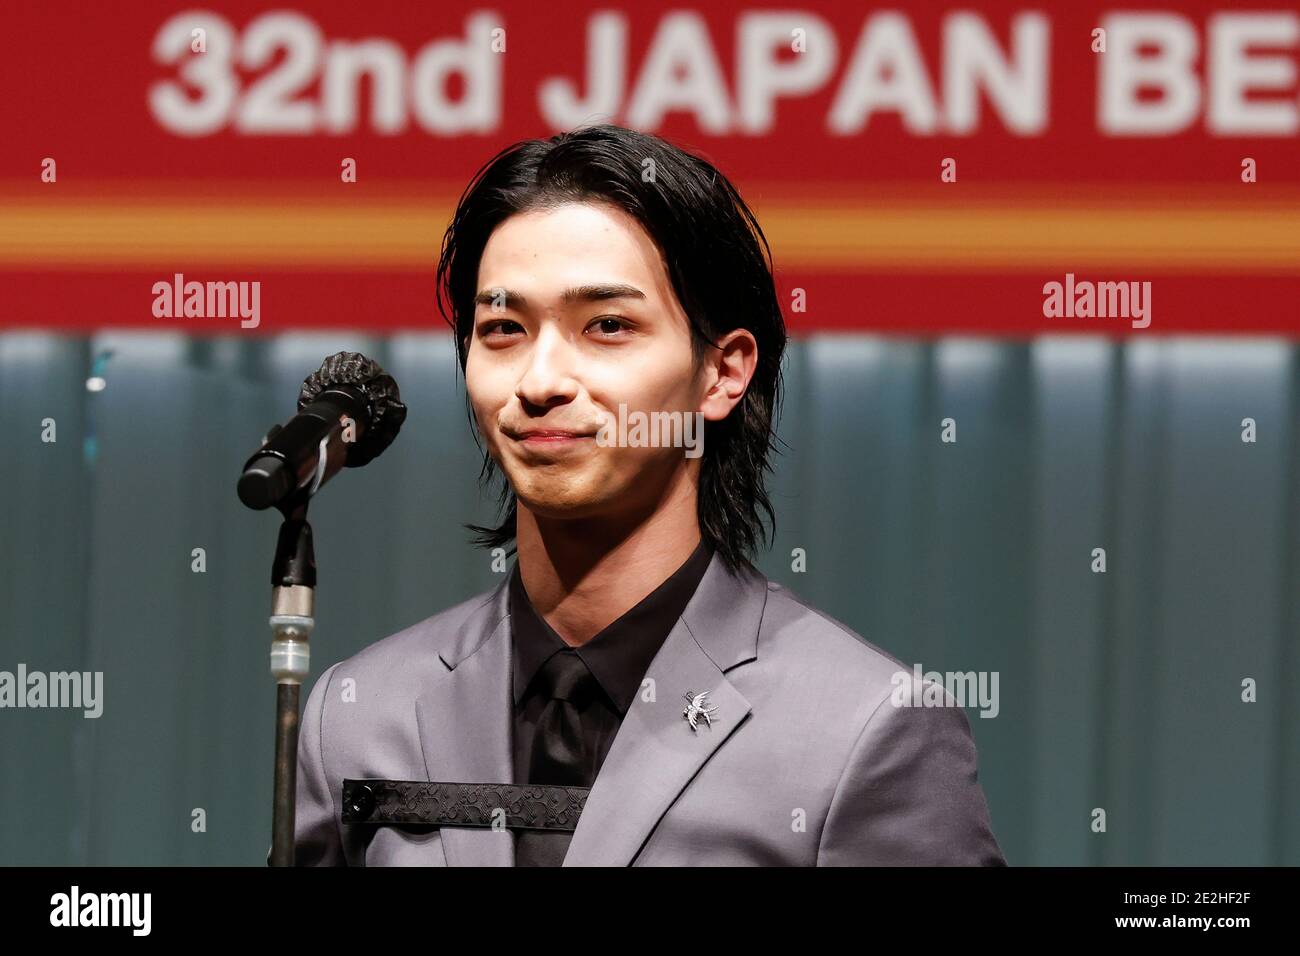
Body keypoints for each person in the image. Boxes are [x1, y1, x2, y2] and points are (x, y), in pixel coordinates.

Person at [292, 124, 1005, 866]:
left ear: (722, 373)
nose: (539, 382)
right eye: (502, 328)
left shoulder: (866, 727)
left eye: (607, 325)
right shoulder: (357, 713)